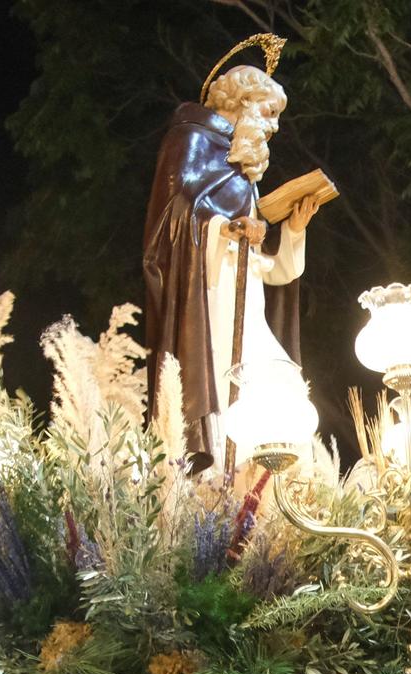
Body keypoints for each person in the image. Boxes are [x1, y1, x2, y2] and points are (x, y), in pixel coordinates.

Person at [141, 54, 320, 460]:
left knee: (280, 389)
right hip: (205, 306)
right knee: (225, 399)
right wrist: (227, 229)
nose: (273, 126)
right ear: (241, 102)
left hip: (247, 308)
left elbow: (269, 271)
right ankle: (217, 492)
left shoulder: (244, 178)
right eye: (269, 112)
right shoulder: (189, 140)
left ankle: (259, 502)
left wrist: (293, 229)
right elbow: (172, 221)